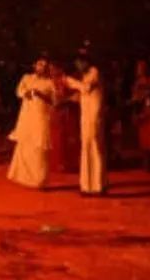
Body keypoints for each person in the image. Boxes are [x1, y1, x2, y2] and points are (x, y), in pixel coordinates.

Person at [7, 57, 56, 189]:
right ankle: (24, 177)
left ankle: (40, 180)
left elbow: (54, 101)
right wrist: (26, 93)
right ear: (34, 65)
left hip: (41, 117)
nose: (42, 67)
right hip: (27, 116)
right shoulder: (27, 78)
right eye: (40, 64)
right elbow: (19, 91)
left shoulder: (50, 83)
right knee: (25, 145)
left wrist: (42, 96)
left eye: (45, 65)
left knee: (39, 147)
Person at [65, 52, 108, 196]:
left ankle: (98, 185)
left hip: (94, 117)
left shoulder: (94, 72)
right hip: (86, 117)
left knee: (95, 147)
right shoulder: (84, 76)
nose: (78, 65)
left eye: (80, 62)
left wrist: (70, 81)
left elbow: (86, 88)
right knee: (86, 148)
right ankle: (86, 185)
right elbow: (82, 94)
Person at [130, 60, 150, 170]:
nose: (140, 70)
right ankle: (146, 162)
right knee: (143, 139)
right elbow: (135, 99)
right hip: (142, 113)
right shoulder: (137, 84)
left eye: (142, 68)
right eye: (138, 68)